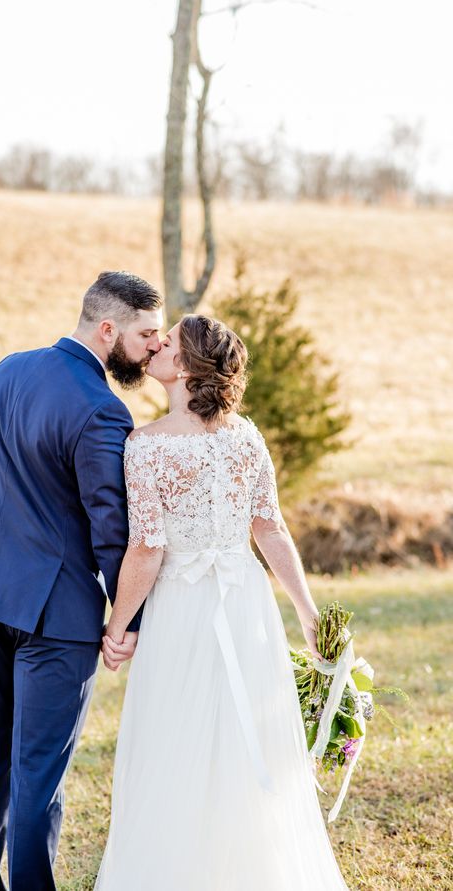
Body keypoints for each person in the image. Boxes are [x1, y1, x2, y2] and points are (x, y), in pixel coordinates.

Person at [96, 314, 349, 891]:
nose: (157, 345)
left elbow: (145, 551)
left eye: (169, 342)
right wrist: (306, 613)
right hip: (245, 606)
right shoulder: (246, 434)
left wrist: (116, 627)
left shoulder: (146, 445)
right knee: (241, 735)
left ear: (184, 366)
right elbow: (271, 530)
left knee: (174, 736)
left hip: (183, 610)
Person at [0, 271, 164, 890]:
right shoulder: (102, 410)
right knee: (37, 775)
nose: (154, 346)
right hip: (59, 618)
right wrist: (129, 622)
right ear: (108, 329)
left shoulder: (5, 371)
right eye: (146, 334)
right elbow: (111, 532)